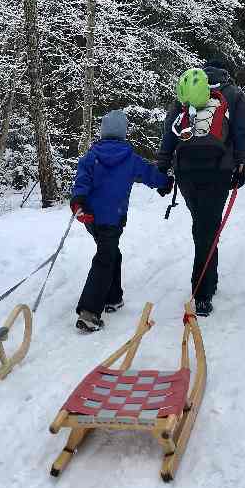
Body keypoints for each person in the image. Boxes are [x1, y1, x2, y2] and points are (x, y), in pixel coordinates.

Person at [157, 58, 245, 317]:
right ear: (224, 72)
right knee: (206, 228)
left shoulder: (187, 92)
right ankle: (202, 294)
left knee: (204, 225)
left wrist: (163, 165)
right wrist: (242, 164)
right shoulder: (233, 94)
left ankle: (210, 280)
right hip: (218, 170)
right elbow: (242, 132)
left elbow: (169, 132)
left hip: (187, 171)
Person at [70, 110, 172, 333]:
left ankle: (113, 298)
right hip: (113, 219)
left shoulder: (91, 156)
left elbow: (81, 182)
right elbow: (150, 174)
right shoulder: (129, 158)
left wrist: (78, 201)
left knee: (111, 252)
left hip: (91, 219)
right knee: (105, 258)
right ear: (123, 133)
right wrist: (165, 183)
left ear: (103, 132)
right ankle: (89, 313)